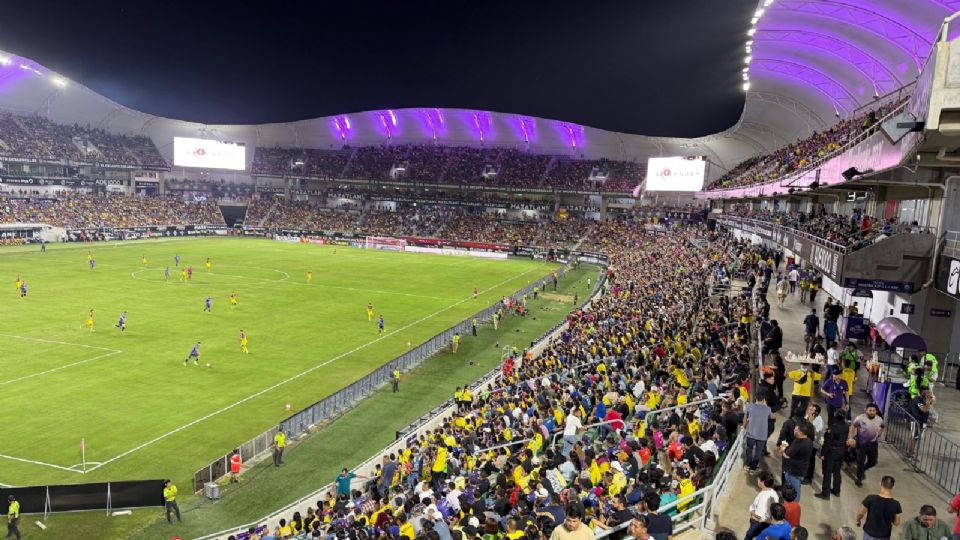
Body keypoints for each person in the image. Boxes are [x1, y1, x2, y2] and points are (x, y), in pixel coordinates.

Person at [856, 476, 902, 540]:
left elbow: (860, 513)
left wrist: (858, 520)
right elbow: (897, 523)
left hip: (869, 534)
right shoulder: (896, 504)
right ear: (893, 487)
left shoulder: (870, 498)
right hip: (884, 536)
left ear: (880, 483)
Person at [850, 403, 884, 487]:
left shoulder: (879, 419)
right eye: (870, 410)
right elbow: (853, 427)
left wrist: (878, 434)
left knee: (873, 462)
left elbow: (882, 426)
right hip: (861, 444)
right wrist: (851, 438)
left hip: (873, 444)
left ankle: (862, 470)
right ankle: (859, 479)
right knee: (860, 462)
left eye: (874, 411)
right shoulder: (860, 418)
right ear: (866, 410)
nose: (872, 412)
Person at [817, 409, 849, 500]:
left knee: (827, 473)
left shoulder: (833, 427)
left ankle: (825, 493)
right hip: (841, 452)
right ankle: (836, 490)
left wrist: (823, 453)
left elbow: (828, 442)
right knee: (837, 472)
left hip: (831, 452)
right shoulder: (846, 426)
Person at [780, 420, 813, 498]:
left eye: (796, 429)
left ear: (801, 432)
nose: (794, 430)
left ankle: (793, 506)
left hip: (793, 472)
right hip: (802, 470)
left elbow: (786, 456)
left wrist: (782, 449)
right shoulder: (809, 441)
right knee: (795, 488)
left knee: (794, 492)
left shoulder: (798, 444)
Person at [745, 472, 780, 540]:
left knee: (749, 536)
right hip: (765, 523)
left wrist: (752, 512)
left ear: (762, 482)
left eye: (758, 480)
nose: (757, 481)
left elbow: (759, 516)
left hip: (758, 523)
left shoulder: (764, 497)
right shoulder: (773, 493)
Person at [744, 395, 772, 472]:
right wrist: (765, 405)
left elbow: (746, 418)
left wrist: (744, 426)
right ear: (763, 399)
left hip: (751, 433)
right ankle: (753, 467)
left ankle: (748, 465)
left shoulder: (750, 406)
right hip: (762, 435)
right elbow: (772, 417)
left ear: (755, 398)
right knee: (758, 452)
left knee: (749, 450)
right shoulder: (768, 409)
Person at [906, 387, 933, 459]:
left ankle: (910, 452)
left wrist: (929, 400)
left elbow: (930, 404)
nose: (928, 394)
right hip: (915, 421)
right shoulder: (917, 399)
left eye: (928, 392)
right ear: (922, 392)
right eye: (926, 392)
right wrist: (928, 402)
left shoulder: (923, 399)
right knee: (913, 437)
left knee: (916, 438)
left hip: (922, 422)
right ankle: (909, 454)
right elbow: (924, 409)